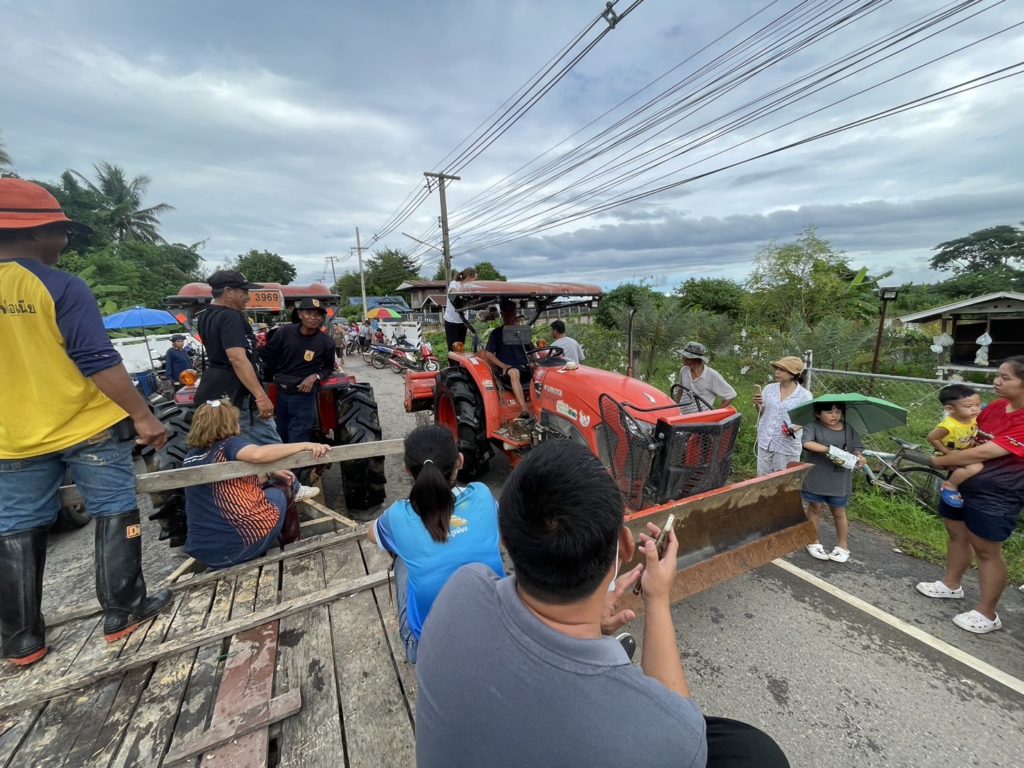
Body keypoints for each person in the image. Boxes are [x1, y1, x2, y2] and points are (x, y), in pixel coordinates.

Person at [415, 440, 789, 768]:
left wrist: (589, 625)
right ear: (626, 549)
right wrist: (657, 598)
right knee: (753, 752)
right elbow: (684, 729)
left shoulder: (460, 591)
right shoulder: (663, 732)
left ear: (506, 539)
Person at [0, 179, 171, 667]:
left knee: (14, 526)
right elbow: (96, 358)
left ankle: (21, 641)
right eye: (63, 232)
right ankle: (124, 611)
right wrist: (142, 414)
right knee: (115, 508)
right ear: (38, 232)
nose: (65, 243)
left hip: (11, 438)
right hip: (86, 426)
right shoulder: (60, 285)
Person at [368, 425, 503, 663]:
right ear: (459, 461)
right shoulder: (482, 495)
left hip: (431, 654)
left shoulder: (398, 516)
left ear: (408, 470)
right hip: (497, 638)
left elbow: (372, 533)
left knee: (402, 559)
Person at [910, 357, 1024, 634]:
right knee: (957, 534)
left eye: (1005, 378)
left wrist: (940, 461)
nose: (996, 382)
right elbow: (969, 436)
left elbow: (987, 451)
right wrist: (947, 446)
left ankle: (988, 613)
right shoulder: (995, 407)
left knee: (987, 551)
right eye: (997, 376)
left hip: (998, 492)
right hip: (962, 484)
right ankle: (951, 584)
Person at [182, 399, 328, 569]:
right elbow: (257, 454)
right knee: (282, 487)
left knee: (265, 486)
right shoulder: (229, 444)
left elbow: (232, 483)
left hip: (207, 555)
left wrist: (269, 471)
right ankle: (293, 544)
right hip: (244, 545)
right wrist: (305, 445)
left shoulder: (191, 457)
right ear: (230, 422)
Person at [193, 269, 281, 445]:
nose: (248, 297)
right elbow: (237, 359)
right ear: (228, 291)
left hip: (222, 390)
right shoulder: (229, 315)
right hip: (238, 396)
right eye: (244, 291)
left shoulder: (205, 316)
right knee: (257, 447)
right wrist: (261, 396)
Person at [260, 298, 336, 443]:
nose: (313, 318)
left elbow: (328, 368)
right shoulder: (284, 332)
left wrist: (315, 376)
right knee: (281, 431)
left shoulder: (326, 342)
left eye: (318, 315)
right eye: (309, 313)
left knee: (299, 434)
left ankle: (299, 466)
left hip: (304, 395)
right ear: (300, 314)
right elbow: (269, 355)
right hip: (282, 391)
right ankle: (285, 464)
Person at [800, 402, 865, 563]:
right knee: (815, 508)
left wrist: (860, 457)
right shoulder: (812, 426)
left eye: (838, 411)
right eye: (829, 411)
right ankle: (812, 540)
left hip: (839, 478)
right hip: (817, 475)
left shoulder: (848, 429)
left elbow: (857, 448)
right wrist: (830, 450)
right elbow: (807, 443)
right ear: (817, 414)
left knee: (839, 511)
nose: (834, 415)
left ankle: (843, 545)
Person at [753, 356, 814, 475]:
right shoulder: (769, 389)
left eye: (782, 370)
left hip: (786, 445)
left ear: (792, 374)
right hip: (766, 441)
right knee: (762, 478)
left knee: (783, 480)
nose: (777, 372)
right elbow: (762, 413)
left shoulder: (804, 395)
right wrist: (758, 404)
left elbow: (807, 418)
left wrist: (792, 429)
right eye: (777, 368)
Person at [927, 384, 983, 508]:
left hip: (963, 451)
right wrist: (947, 452)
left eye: (978, 405)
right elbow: (932, 438)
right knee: (975, 467)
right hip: (948, 454)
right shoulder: (948, 426)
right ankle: (950, 486)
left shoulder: (972, 418)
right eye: (968, 406)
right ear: (950, 409)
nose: (975, 409)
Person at [478, 299, 534, 420]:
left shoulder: (523, 331)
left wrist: (538, 362)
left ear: (515, 312)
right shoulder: (497, 333)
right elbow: (489, 354)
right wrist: (503, 366)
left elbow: (532, 352)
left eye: (511, 311)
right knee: (514, 372)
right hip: (508, 369)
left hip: (524, 366)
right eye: (506, 311)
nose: (509, 314)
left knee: (545, 372)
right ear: (502, 313)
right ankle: (524, 409)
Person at [677, 341, 736, 410]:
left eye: (685, 357)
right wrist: (676, 406)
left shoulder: (712, 375)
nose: (683, 359)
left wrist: (716, 414)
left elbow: (731, 394)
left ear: (695, 359)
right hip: (681, 413)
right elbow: (680, 390)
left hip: (701, 416)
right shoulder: (684, 370)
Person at [444, 266, 478, 350]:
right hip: (451, 321)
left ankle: (459, 363)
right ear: (469, 277)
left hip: (463, 322)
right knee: (452, 346)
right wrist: (463, 294)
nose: (474, 282)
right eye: (474, 279)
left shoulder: (470, 287)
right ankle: (452, 363)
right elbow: (452, 292)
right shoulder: (454, 283)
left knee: (461, 346)